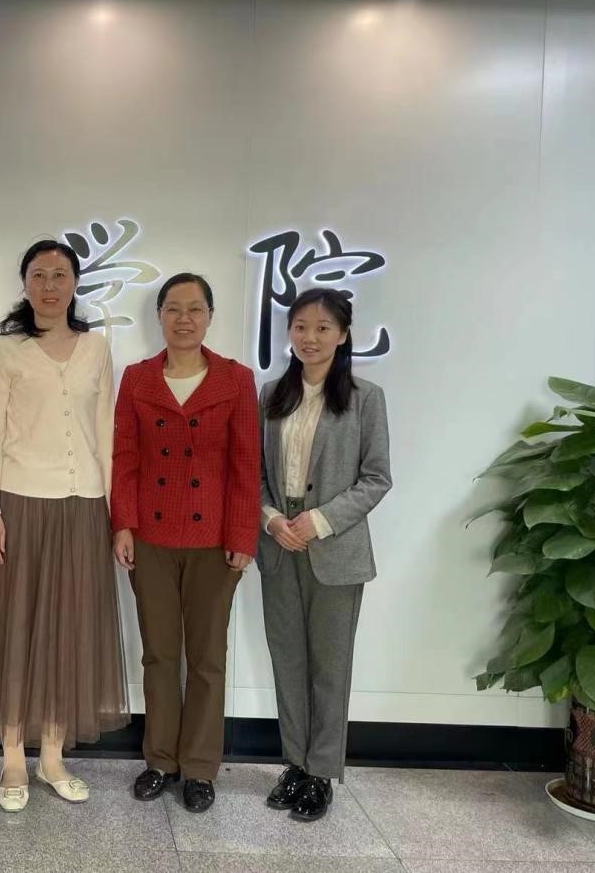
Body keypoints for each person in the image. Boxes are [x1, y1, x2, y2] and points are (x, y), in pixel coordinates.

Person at [0, 239, 129, 812]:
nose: (50, 285)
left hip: (83, 505)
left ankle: (52, 757)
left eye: (60, 274)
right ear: (25, 284)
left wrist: (115, 513)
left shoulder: (97, 347)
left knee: (70, 627)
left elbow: (105, 432)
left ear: (76, 282)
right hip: (20, 502)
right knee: (16, 626)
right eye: (39, 275)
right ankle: (12, 757)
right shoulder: (6, 349)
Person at [111, 272, 260, 813]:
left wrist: (242, 535)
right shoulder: (137, 378)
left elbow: (246, 464)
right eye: (173, 308)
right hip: (150, 538)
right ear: (159, 317)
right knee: (159, 655)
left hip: (214, 542)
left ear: (210, 317)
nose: (183, 319)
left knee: (207, 659)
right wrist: (123, 524)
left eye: (195, 309)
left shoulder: (235, 380)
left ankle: (199, 768)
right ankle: (159, 761)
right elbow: (125, 457)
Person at [257, 288, 392, 822]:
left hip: (333, 546)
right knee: (287, 660)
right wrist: (271, 519)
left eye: (322, 328)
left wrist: (318, 521)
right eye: (300, 327)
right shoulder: (271, 394)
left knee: (330, 667)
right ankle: (295, 764)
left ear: (343, 335)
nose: (309, 338)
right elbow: (253, 473)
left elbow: (376, 478)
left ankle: (321, 773)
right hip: (279, 543)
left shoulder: (365, 397)